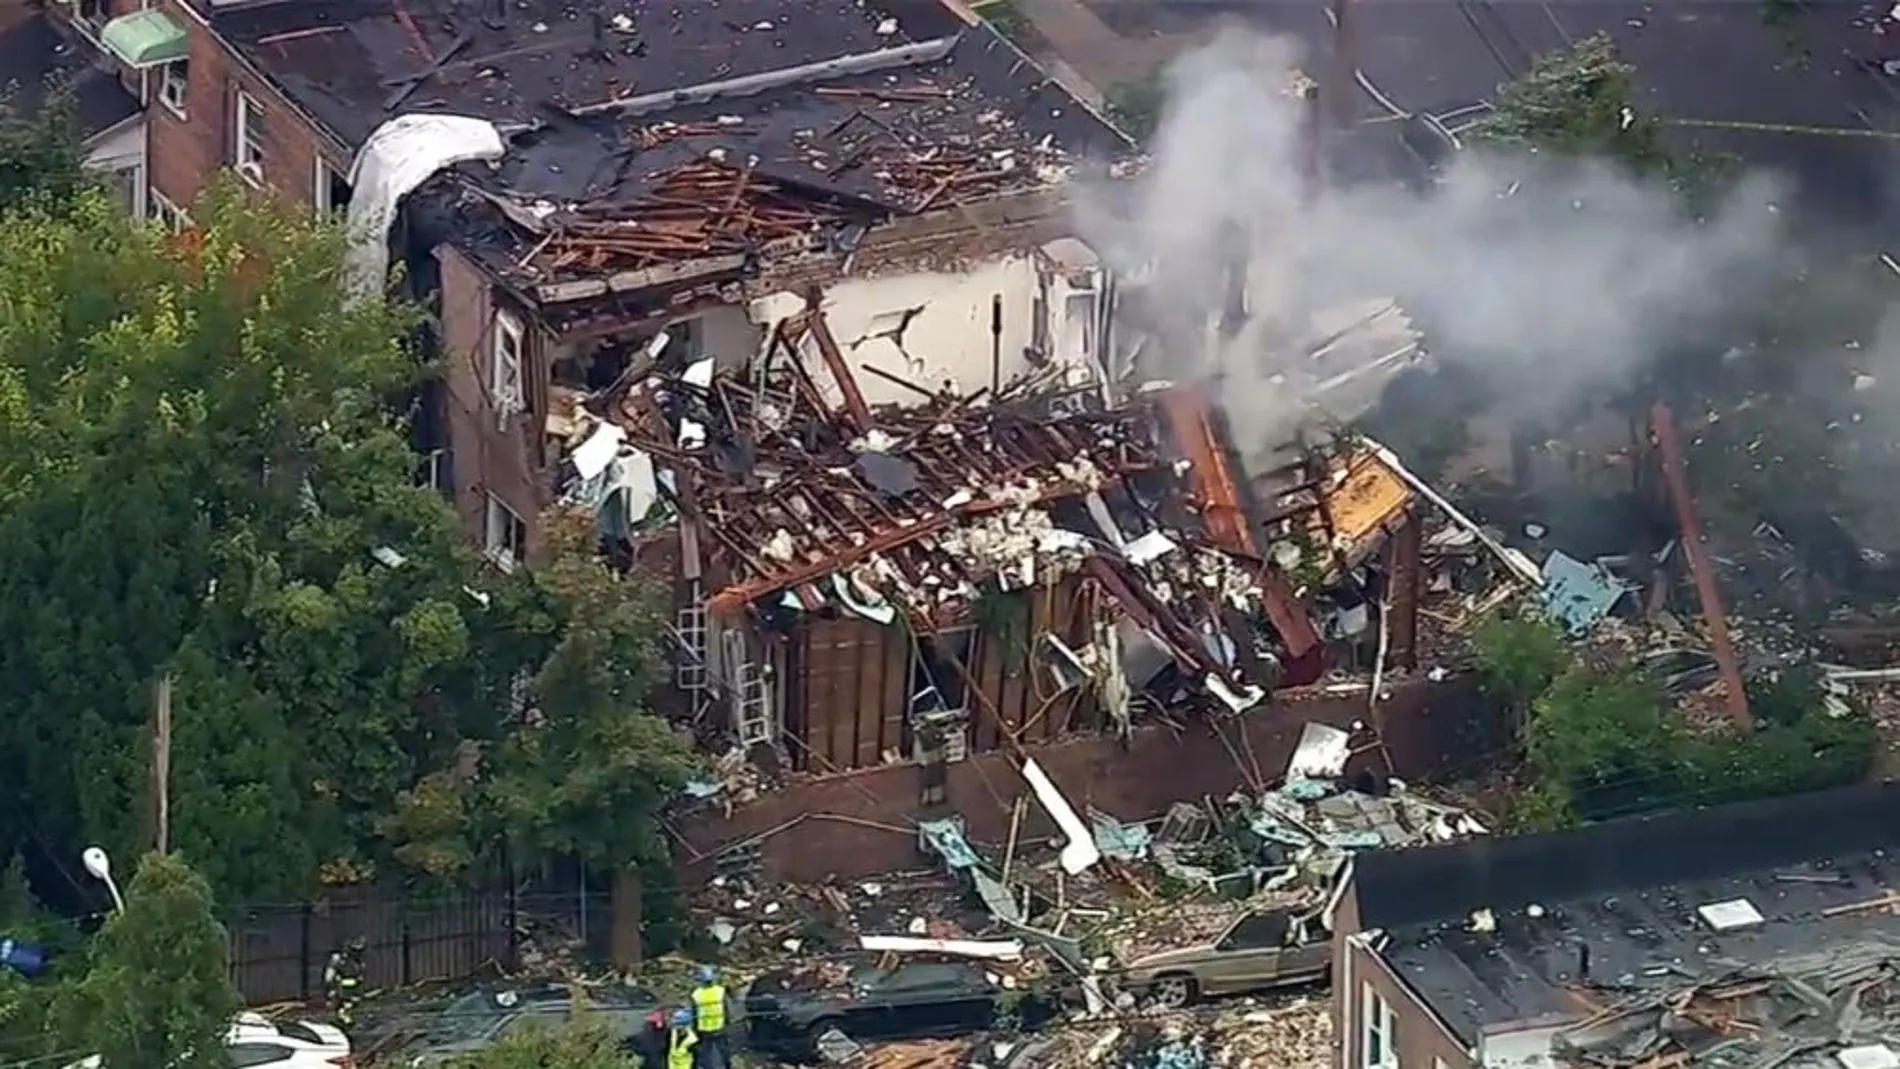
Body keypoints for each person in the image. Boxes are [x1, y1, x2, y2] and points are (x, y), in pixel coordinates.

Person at [690, 965, 731, 1069]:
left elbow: (694, 1013)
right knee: (723, 1049)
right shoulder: (720, 991)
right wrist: (728, 1021)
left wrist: (694, 1029)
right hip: (719, 1026)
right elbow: (726, 1008)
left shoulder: (696, 994)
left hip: (704, 1028)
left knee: (705, 1052)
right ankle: (727, 1065)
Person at [322, 937, 366, 1028]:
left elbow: (359, 976)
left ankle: (345, 1020)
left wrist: (359, 990)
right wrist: (331, 989)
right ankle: (341, 1020)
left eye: (359, 951)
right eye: (355, 950)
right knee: (342, 1006)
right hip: (340, 989)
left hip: (353, 989)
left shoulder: (358, 961)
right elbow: (329, 976)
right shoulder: (339, 959)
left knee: (350, 1005)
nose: (357, 953)